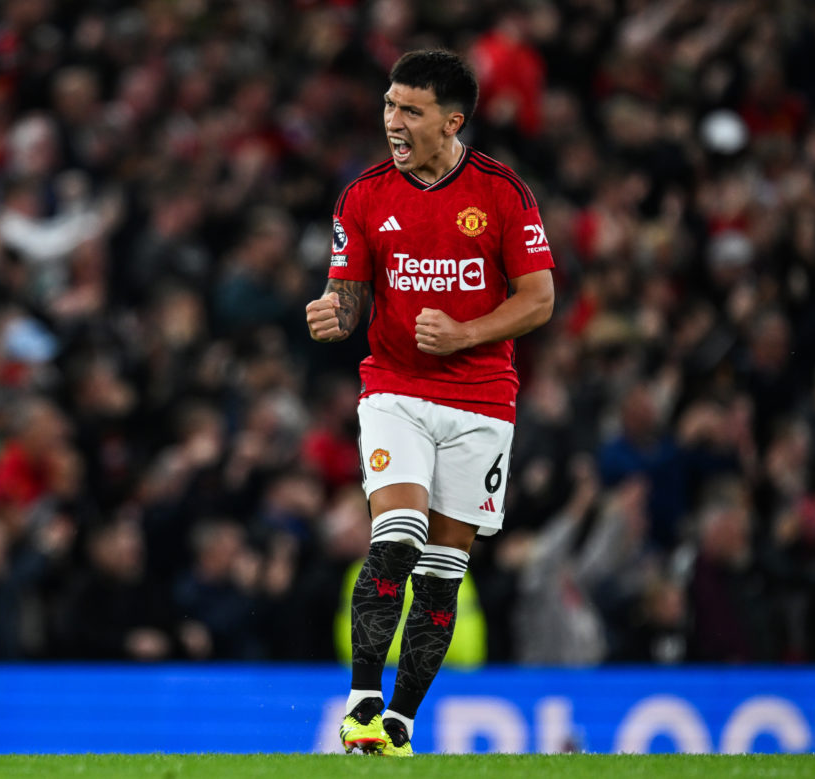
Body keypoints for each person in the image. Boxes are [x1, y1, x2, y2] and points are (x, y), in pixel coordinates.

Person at [305, 49, 555, 757]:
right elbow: (349, 293)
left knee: (444, 575)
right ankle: (360, 702)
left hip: (481, 400)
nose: (393, 120)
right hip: (395, 389)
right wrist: (335, 309)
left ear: (452, 120)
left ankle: (399, 725)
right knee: (396, 536)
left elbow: (539, 299)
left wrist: (466, 333)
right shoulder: (363, 197)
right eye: (389, 104)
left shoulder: (504, 193)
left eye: (410, 110)